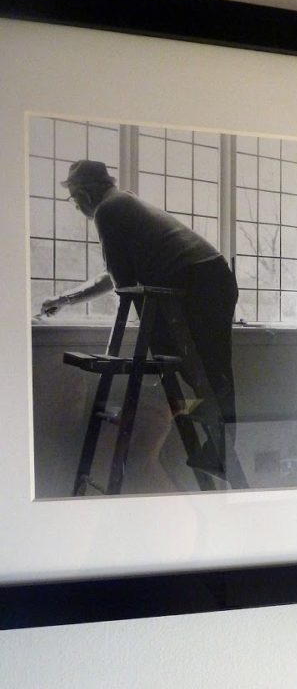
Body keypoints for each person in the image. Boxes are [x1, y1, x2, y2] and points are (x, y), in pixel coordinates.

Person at [41, 160, 240, 481]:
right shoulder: (121, 203)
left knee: (204, 366)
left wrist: (143, 344)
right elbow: (115, 278)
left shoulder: (109, 210)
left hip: (203, 280)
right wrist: (65, 300)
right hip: (207, 277)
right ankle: (220, 448)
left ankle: (222, 448)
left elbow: (123, 284)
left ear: (87, 193)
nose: (76, 206)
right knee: (208, 367)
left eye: (75, 198)